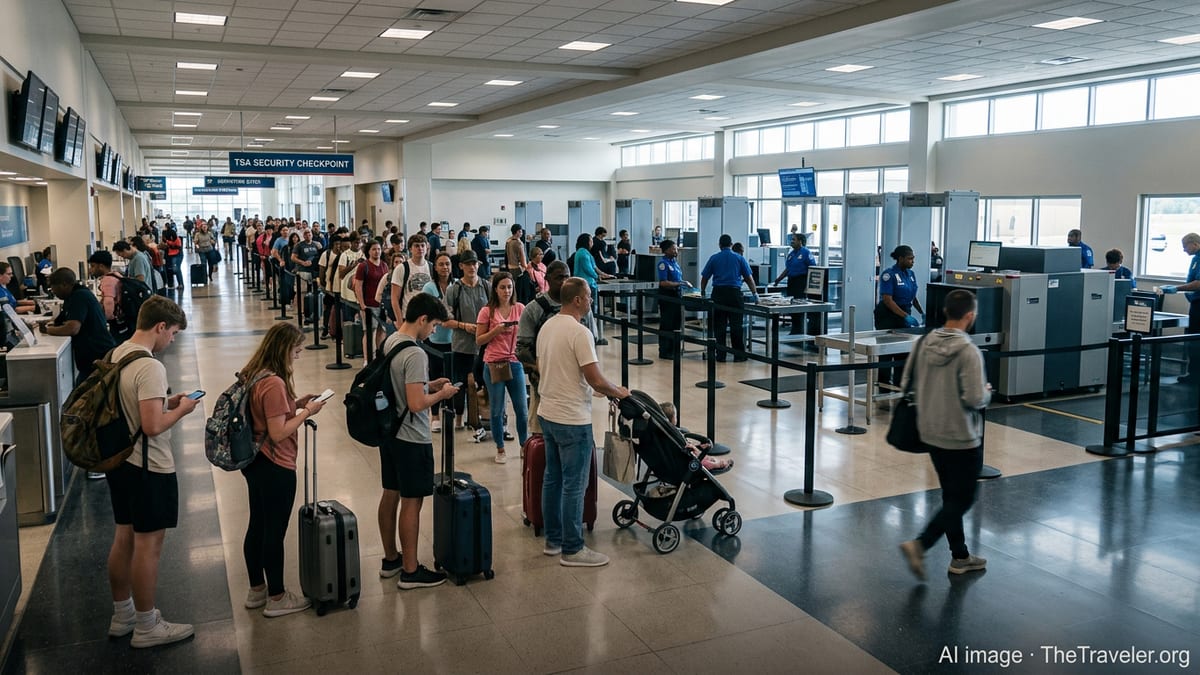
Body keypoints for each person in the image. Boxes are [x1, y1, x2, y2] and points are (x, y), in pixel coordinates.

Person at [101, 295, 199, 648]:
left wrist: (166, 402)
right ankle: (146, 625)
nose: (172, 340)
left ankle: (122, 613)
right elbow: (153, 425)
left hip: (120, 462)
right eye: (172, 333)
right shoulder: (150, 366)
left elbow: (134, 405)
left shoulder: (118, 352)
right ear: (160, 326)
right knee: (148, 545)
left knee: (123, 537)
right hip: (148, 465)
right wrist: (183, 410)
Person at [898, 289, 991, 580]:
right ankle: (920, 545)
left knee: (951, 495)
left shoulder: (923, 342)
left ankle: (960, 556)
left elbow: (906, 384)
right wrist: (986, 394)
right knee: (962, 498)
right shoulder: (968, 351)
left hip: (931, 431)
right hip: (961, 436)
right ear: (970, 316)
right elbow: (975, 398)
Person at [536, 278, 629, 567]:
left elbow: (550, 368)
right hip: (572, 419)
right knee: (574, 485)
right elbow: (595, 377)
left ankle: (553, 541)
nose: (591, 300)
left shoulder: (547, 327)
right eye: (588, 296)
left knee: (552, 478)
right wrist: (619, 392)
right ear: (576, 300)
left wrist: (591, 390)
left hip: (547, 412)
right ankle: (573, 549)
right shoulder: (580, 332)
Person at [238, 323, 326, 618]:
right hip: (276, 463)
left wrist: (297, 403)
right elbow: (278, 432)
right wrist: (306, 413)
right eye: (297, 350)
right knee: (274, 532)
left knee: (257, 525)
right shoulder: (274, 383)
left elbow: (268, 415)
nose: (298, 356)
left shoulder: (254, 373)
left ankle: (257, 590)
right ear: (284, 349)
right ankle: (277, 597)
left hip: (255, 461)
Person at [378, 293, 459, 589]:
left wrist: (428, 384)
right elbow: (415, 403)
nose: (434, 331)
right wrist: (441, 394)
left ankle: (391, 559)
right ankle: (411, 571)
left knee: (391, 493)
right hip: (411, 437)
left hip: (389, 433)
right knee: (412, 502)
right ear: (423, 319)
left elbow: (403, 385)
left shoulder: (391, 340)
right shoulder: (415, 353)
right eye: (434, 325)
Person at [475, 272, 528, 464]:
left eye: (509, 287)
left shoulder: (520, 308)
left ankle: (524, 445)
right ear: (495, 289)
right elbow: (479, 340)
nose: (507, 291)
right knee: (497, 409)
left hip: (514, 362)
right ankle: (500, 447)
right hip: (493, 363)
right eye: (503, 287)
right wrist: (496, 330)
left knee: (522, 408)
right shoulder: (486, 312)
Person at [517, 261, 570, 435]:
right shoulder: (533, 309)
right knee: (540, 435)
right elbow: (522, 350)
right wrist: (544, 370)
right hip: (543, 384)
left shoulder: (578, 306)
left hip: (572, 386)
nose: (563, 282)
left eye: (566, 277)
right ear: (547, 279)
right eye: (558, 278)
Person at [41, 268, 116, 383]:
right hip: (93, 355)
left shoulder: (79, 296)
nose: (53, 291)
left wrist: (48, 330)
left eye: (53, 287)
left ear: (64, 285)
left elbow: (72, 328)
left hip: (97, 356)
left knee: (84, 394)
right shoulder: (72, 296)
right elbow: (61, 320)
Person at [444, 250, 491, 435]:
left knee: (484, 382)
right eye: (468, 264)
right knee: (460, 382)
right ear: (461, 266)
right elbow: (445, 320)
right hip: (462, 344)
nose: (472, 267)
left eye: (475, 264)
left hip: (485, 344)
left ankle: (483, 417)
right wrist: (464, 326)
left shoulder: (487, 286)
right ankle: (459, 417)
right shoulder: (454, 290)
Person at [700, 233, 757, 362]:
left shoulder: (714, 258)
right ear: (731, 245)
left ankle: (721, 355)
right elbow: (749, 278)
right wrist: (755, 294)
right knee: (736, 325)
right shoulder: (739, 258)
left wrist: (703, 291)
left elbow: (705, 278)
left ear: (719, 245)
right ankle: (739, 355)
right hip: (734, 294)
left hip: (718, 294)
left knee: (719, 326)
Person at [875, 244, 925, 386]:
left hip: (903, 312)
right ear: (901, 258)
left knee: (903, 350)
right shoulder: (888, 274)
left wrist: (921, 312)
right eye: (910, 259)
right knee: (887, 350)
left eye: (913, 258)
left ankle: (899, 382)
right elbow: (888, 300)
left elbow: (912, 296)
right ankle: (883, 382)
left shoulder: (911, 274)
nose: (912, 261)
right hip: (887, 315)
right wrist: (905, 316)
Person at [1158, 233, 1200, 384]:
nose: (1184, 250)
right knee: (1193, 339)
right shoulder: (1196, 259)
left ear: (1194, 243)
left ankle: (1196, 375)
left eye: (1185, 246)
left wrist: (1177, 288)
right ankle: (1193, 373)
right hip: (1195, 304)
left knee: (1196, 340)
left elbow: (1198, 283)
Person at [422, 253, 455, 433]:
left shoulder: (456, 285)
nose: (445, 268)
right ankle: (434, 415)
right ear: (435, 267)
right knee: (435, 376)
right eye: (441, 264)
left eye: (447, 264)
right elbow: (428, 310)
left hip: (454, 339)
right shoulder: (429, 287)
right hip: (434, 340)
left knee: (452, 377)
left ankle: (452, 412)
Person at [353, 240, 390, 363]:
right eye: (374, 249)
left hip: (382, 304)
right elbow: (358, 286)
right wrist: (362, 304)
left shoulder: (384, 265)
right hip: (369, 304)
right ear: (368, 251)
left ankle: (379, 357)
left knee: (382, 331)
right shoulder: (364, 266)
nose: (377, 251)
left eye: (379, 249)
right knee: (369, 331)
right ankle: (367, 359)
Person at [775, 233, 818, 336]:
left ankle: (801, 330)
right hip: (792, 282)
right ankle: (795, 329)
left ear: (800, 241)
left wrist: (810, 285)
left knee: (800, 305)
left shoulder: (806, 253)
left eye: (794, 240)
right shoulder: (791, 254)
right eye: (791, 240)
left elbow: (813, 268)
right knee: (792, 305)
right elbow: (788, 269)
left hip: (801, 282)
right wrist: (778, 279)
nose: (792, 241)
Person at [389, 234, 433, 330]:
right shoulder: (402, 268)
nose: (420, 248)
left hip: (427, 318)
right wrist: (400, 322)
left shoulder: (432, 267)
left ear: (427, 247)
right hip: (408, 317)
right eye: (416, 246)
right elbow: (394, 298)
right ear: (410, 248)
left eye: (422, 245)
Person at [656, 240, 689, 360]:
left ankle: (675, 349)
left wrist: (681, 284)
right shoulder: (663, 263)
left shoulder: (675, 263)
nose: (676, 251)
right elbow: (663, 282)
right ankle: (665, 351)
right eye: (673, 249)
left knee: (676, 323)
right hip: (667, 297)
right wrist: (678, 283)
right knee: (667, 324)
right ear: (666, 250)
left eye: (676, 249)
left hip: (677, 296)